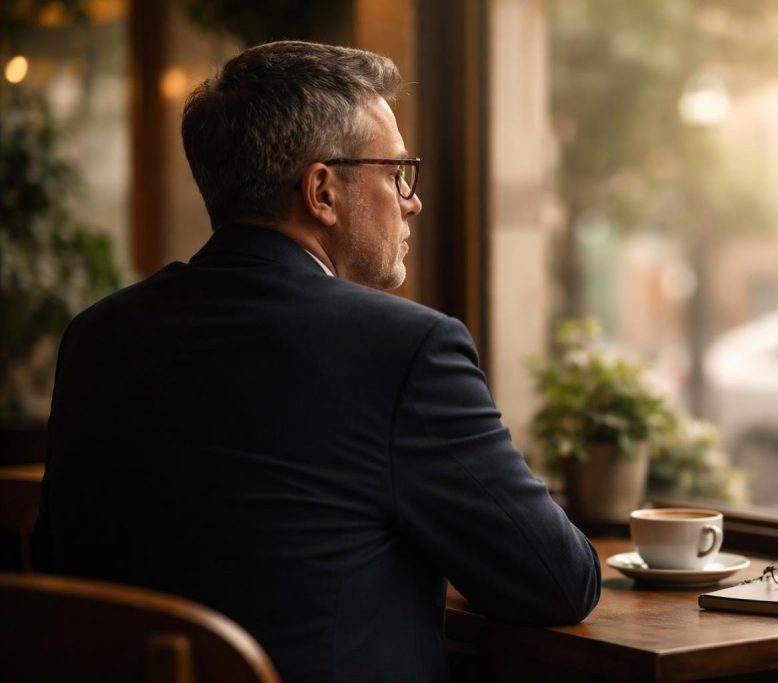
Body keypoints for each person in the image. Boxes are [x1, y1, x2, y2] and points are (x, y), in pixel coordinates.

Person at [31, 41, 601, 682]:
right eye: (396, 173)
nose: (411, 201)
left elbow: (55, 563)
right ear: (322, 191)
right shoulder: (404, 349)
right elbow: (558, 581)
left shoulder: (98, 335)